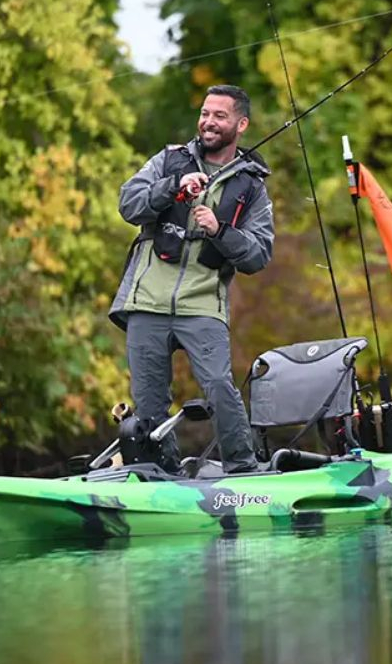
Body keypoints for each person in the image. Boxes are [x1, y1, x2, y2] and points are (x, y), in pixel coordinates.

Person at [109, 85, 275, 474]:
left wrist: (220, 230)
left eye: (220, 115)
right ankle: (161, 474)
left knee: (219, 384)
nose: (209, 122)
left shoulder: (252, 186)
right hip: (146, 299)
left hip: (203, 304)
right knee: (149, 401)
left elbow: (258, 255)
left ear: (241, 123)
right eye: (205, 113)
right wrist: (172, 188)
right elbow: (128, 204)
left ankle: (243, 471)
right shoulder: (169, 161)